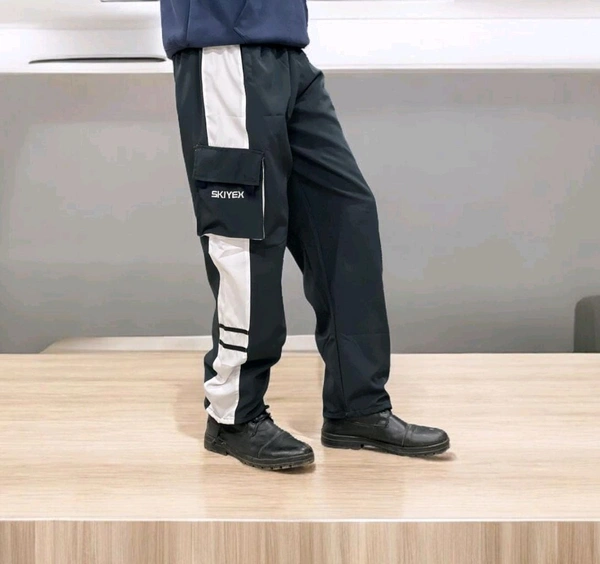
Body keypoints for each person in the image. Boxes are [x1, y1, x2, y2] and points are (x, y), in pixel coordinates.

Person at [160, 0, 450, 470]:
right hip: (225, 46)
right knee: (247, 238)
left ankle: (357, 406)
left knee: (347, 219)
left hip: (288, 49)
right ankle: (234, 416)